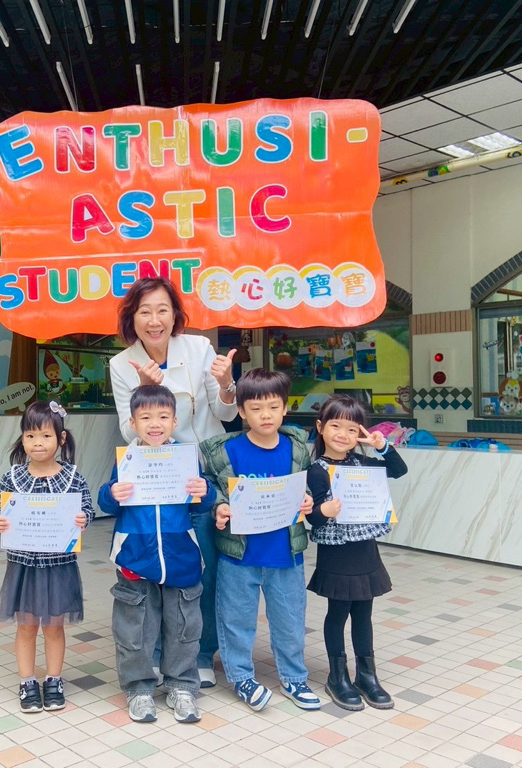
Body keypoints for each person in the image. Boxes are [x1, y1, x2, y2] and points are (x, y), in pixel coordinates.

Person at [110, 276, 236, 687]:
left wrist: (227, 383)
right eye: (144, 311)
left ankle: (200, 653)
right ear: (132, 318)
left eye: (162, 309)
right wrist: (146, 390)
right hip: (159, 478)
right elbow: (129, 431)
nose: (154, 320)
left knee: (204, 567)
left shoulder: (198, 348)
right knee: (156, 570)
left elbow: (226, 413)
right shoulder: (121, 364)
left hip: (207, 471)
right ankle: (158, 654)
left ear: (175, 314)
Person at [200, 369, 320, 712]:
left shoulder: (297, 448)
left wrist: (308, 500)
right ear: (241, 411)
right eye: (255, 408)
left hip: (286, 554)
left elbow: (306, 487)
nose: (265, 415)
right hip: (239, 555)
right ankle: (241, 678)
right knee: (236, 620)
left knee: (290, 620)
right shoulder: (226, 451)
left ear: (285, 408)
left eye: (273, 407)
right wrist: (219, 507)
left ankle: (294, 678)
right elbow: (212, 489)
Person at [97, 384, 215, 723]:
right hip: (136, 555)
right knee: (134, 627)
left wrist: (204, 491)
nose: (155, 424)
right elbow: (107, 503)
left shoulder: (185, 458)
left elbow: (201, 504)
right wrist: (112, 493)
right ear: (132, 423)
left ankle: (182, 686)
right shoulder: (127, 459)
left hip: (180, 555)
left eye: (163, 417)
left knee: (183, 626)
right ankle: (139, 689)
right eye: (146, 417)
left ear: (174, 421)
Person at [306, 394, 407, 711]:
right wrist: (323, 510)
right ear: (320, 427)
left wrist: (382, 446)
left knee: (364, 613)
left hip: (365, 550)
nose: (343, 435)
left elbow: (399, 470)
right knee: (337, 613)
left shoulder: (364, 464)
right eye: (336, 426)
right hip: (336, 553)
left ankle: (367, 676)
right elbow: (312, 517)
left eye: (352, 429)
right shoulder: (316, 470)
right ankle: (337, 676)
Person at [0, 402, 94, 713]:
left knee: (53, 626)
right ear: (22, 439)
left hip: (59, 566)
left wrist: (83, 519)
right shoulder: (12, 477)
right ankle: (26, 682)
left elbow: (87, 509)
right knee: (26, 626)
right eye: (30, 435)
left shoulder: (73, 477)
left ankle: (53, 679)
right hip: (23, 566)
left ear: (60, 439)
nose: (38, 443)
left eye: (46, 436)